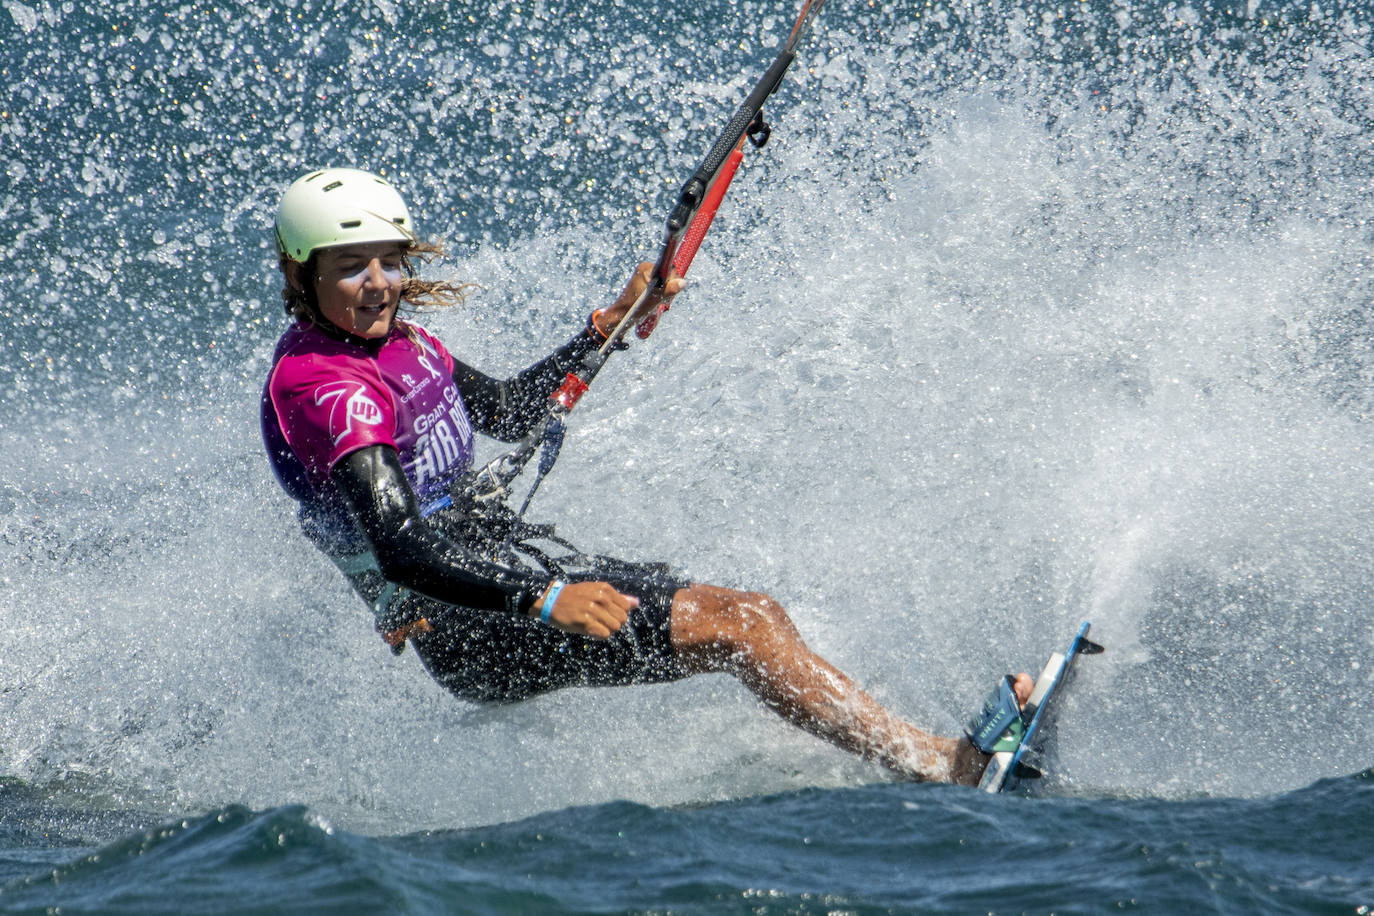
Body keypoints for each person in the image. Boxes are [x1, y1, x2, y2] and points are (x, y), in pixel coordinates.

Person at [260, 167, 1015, 785]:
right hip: (472, 627)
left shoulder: (403, 343)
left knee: (749, 616)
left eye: (391, 261)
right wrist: (547, 600)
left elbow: (516, 410)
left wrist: (611, 323)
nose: (379, 283)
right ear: (303, 275)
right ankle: (947, 766)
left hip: (507, 574)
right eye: (350, 267)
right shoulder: (325, 388)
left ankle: (904, 753)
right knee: (741, 624)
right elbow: (402, 551)